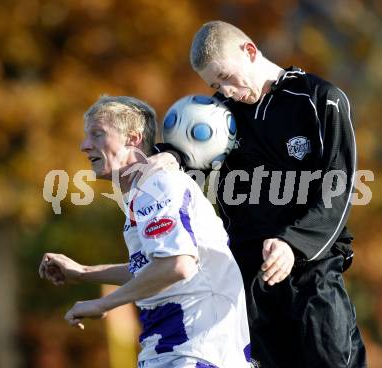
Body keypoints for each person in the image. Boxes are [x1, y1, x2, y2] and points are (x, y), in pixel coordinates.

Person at [181, 21, 367, 367]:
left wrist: (293, 243)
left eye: (226, 77)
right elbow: (188, 156)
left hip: (311, 271)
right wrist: (167, 156)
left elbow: (337, 190)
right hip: (250, 279)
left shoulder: (319, 100)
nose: (226, 90)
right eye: (214, 84)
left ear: (250, 51)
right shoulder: (221, 115)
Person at [38, 95, 251, 368]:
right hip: (173, 349)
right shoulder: (144, 191)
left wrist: (103, 304)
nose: (84, 145)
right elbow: (153, 268)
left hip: (194, 352)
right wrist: (84, 273)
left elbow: (178, 265)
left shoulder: (159, 185)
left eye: (98, 134)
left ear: (133, 138)